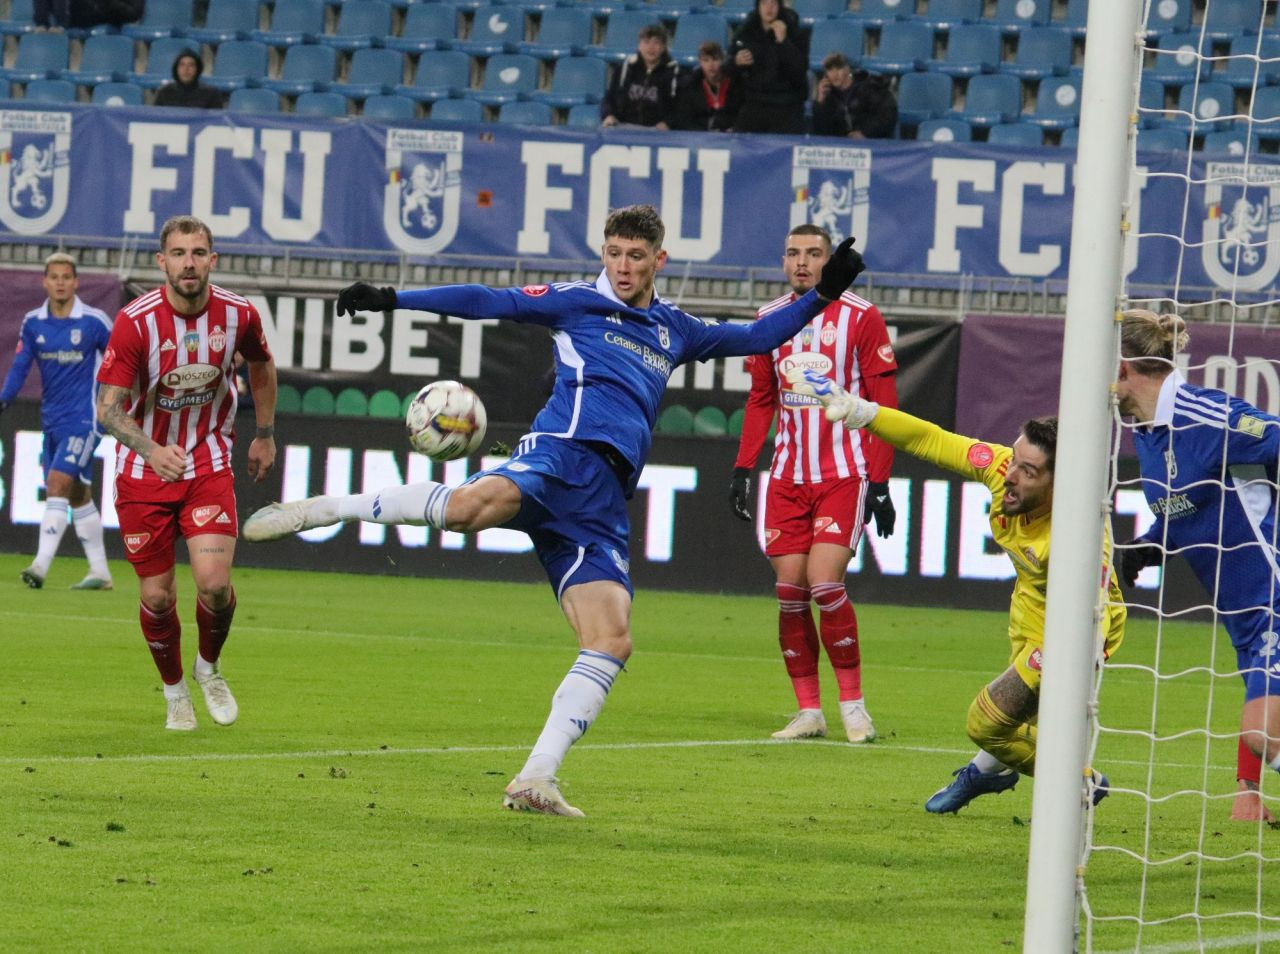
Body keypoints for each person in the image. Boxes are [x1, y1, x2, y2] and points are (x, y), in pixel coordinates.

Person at [242, 204, 866, 818]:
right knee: (468, 509)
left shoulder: (676, 328)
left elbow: (758, 337)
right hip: (560, 455)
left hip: (602, 501)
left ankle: (536, 777)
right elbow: (488, 301)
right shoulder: (575, 301)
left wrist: (823, 295)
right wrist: (392, 298)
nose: (623, 267)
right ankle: (326, 508)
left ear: (660, 259)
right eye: (614, 254)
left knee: (611, 639)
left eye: (636, 256)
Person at [790, 369, 1125, 813]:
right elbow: (932, 440)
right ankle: (988, 771)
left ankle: (1081, 783)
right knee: (1015, 721)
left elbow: (1095, 606)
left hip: (1078, 627)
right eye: (1015, 460)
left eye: (1028, 471)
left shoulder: (1078, 537)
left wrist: (1079, 651)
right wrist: (861, 412)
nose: (1010, 475)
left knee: (986, 722)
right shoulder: (1003, 470)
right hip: (1029, 607)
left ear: (1059, 484)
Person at [95, 215, 277, 732]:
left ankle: (208, 668)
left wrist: (265, 433)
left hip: (207, 464)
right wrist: (151, 449)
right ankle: (175, 690)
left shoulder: (238, 314)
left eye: (198, 253)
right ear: (162, 262)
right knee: (157, 596)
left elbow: (262, 364)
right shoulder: (136, 322)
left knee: (214, 585)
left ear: (212, 260)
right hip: (143, 471)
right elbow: (108, 409)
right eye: (178, 253)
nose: (189, 263)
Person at [729, 224, 898, 744]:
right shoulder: (768, 319)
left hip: (844, 473)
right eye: (792, 253)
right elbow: (762, 399)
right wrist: (742, 468)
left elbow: (884, 403)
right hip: (787, 477)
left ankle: (853, 706)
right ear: (783, 262)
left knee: (825, 582)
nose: (802, 262)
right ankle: (809, 711)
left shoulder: (862, 316)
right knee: (789, 592)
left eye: (814, 253)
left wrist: (881, 481)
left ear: (830, 260)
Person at [1115, 309, 1280, 824]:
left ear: (1121, 367)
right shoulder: (1147, 432)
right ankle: (1248, 794)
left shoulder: (1203, 414)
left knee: (1264, 731)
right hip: (1245, 612)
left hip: (1274, 594)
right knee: (1263, 720)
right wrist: (1151, 544)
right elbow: (1191, 505)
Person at [0, 253, 114, 591]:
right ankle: (100, 572)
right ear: (45, 282)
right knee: (77, 494)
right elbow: (20, 366)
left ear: (76, 282)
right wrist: (4, 399)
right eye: (55, 277)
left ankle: (40, 565)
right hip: (52, 419)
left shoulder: (94, 322)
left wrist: (116, 404)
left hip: (86, 418)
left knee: (57, 483)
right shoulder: (33, 323)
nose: (61, 282)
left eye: (66, 277)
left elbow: (121, 361)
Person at [730, 0, 810, 135]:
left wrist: (784, 42)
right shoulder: (745, 33)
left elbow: (800, 70)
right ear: (758, 7)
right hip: (755, 103)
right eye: (764, 3)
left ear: (780, 6)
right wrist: (736, 62)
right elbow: (729, 68)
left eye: (773, 3)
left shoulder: (796, 33)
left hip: (787, 104)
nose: (769, 8)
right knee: (739, 140)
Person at [600, 23, 680, 130]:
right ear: (639, 46)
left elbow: (680, 107)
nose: (651, 47)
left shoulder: (674, 72)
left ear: (663, 47)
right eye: (646, 42)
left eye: (656, 43)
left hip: (656, 131)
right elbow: (609, 98)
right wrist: (608, 115)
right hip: (623, 127)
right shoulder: (625, 68)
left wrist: (668, 123)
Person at [811, 53, 898, 140]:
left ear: (848, 69)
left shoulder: (869, 87)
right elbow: (821, 132)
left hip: (871, 141)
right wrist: (820, 102)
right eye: (830, 70)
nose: (834, 75)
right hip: (841, 144)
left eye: (838, 68)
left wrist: (865, 132)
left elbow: (887, 114)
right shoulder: (829, 96)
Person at [670, 41, 741, 133]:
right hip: (700, 137)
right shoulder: (691, 85)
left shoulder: (735, 83)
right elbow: (684, 119)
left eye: (715, 59)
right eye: (706, 60)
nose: (711, 65)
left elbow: (741, 114)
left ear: (723, 60)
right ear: (700, 62)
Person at [152, 49, 225, 110]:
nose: (186, 69)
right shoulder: (164, 92)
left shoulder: (212, 94)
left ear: (197, 69)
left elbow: (217, 121)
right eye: (182, 65)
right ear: (176, 69)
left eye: (191, 65)